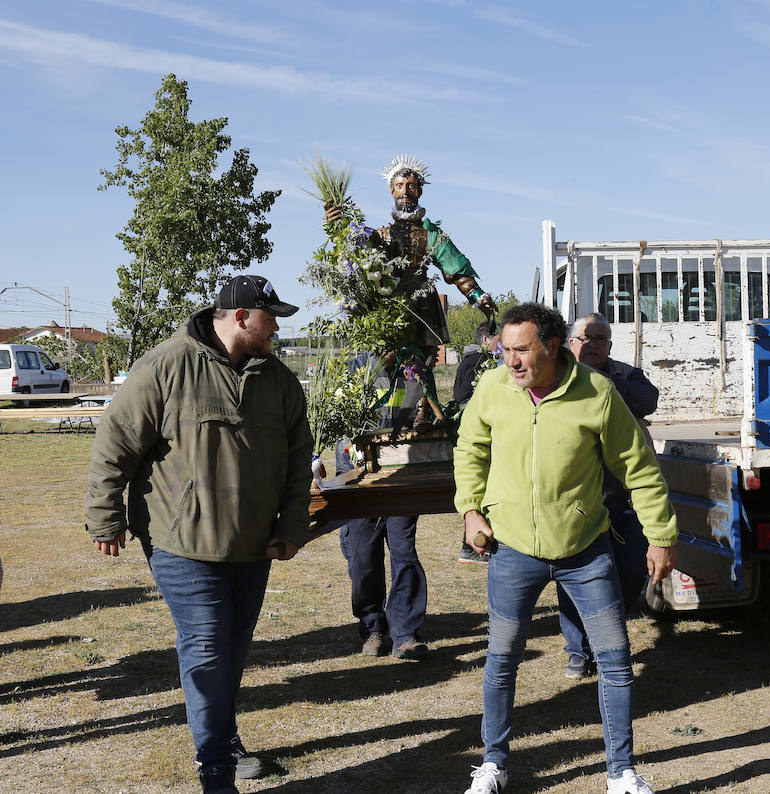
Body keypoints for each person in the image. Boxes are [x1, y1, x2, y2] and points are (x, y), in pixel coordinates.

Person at [84, 275, 313, 794]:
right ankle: (215, 771)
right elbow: (115, 443)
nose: (277, 326)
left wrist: (292, 524)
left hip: (254, 545)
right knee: (207, 646)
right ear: (239, 317)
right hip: (181, 542)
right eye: (270, 316)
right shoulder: (166, 366)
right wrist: (105, 516)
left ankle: (223, 737)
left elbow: (301, 459)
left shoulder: (278, 381)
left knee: (231, 651)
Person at [454, 302, 678, 794]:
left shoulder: (597, 394)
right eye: (505, 350)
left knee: (616, 660)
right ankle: (493, 764)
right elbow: (469, 447)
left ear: (553, 348)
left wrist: (660, 535)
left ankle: (620, 772)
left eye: (522, 351)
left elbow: (638, 469)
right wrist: (471, 510)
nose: (510, 362)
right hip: (511, 550)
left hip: (585, 550)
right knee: (502, 659)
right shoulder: (492, 389)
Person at [326, 154, 497, 429]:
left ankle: (422, 412)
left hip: (423, 303)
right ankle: (395, 413)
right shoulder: (381, 234)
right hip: (392, 305)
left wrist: (478, 297)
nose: (406, 192)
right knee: (391, 359)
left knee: (423, 359)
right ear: (391, 190)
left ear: (420, 190)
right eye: (400, 186)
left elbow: (455, 270)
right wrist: (338, 224)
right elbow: (352, 250)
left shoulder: (433, 235)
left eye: (411, 186)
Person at [558, 312, 660, 679]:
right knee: (573, 579)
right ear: (571, 343)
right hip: (577, 500)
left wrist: (600, 383)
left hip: (621, 496)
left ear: (610, 346)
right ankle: (579, 650)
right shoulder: (558, 377)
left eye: (600, 338)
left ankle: (607, 642)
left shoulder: (626, 374)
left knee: (631, 571)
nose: (593, 344)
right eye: (585, 337)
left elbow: (647, 400)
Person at [335, 354, 429, 660]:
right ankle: (373, 628)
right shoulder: (354, 365)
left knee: (404, 553)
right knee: (362, 558)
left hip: (401, 475)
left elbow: (421, 417)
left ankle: (405, 633)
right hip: (359, 477)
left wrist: (422, 419)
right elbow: (343, 421)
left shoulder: (411, 368)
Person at [454, 321, 500, 564]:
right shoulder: (477, 363)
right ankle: (472, 547)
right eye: (498, 339)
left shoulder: (472, 360)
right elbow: (463, 397)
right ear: (486, 339)